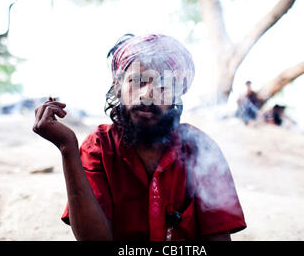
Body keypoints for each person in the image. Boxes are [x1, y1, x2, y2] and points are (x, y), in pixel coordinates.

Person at [33, 34, 246, 241]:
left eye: (163, 84)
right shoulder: (99, 147)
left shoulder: (200, 149)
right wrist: (67, 148)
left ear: (177, 93)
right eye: (136, 81)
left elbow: (218, 236)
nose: (146, 94)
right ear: (118, 86)